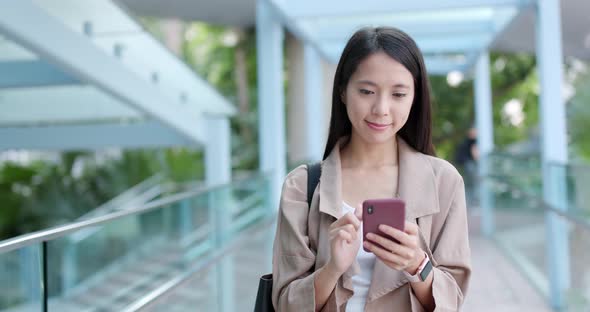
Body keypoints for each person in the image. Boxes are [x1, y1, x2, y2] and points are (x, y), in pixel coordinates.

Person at [271, 27, 471, 312]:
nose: (381, 108)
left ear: (415, 98)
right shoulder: (301, 186)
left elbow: (453, 300)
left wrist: (416, 263)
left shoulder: (445, 182)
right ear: (342, 91)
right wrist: (332, 268)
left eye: (399, 94)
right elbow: (284, 303)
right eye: (366, 91)